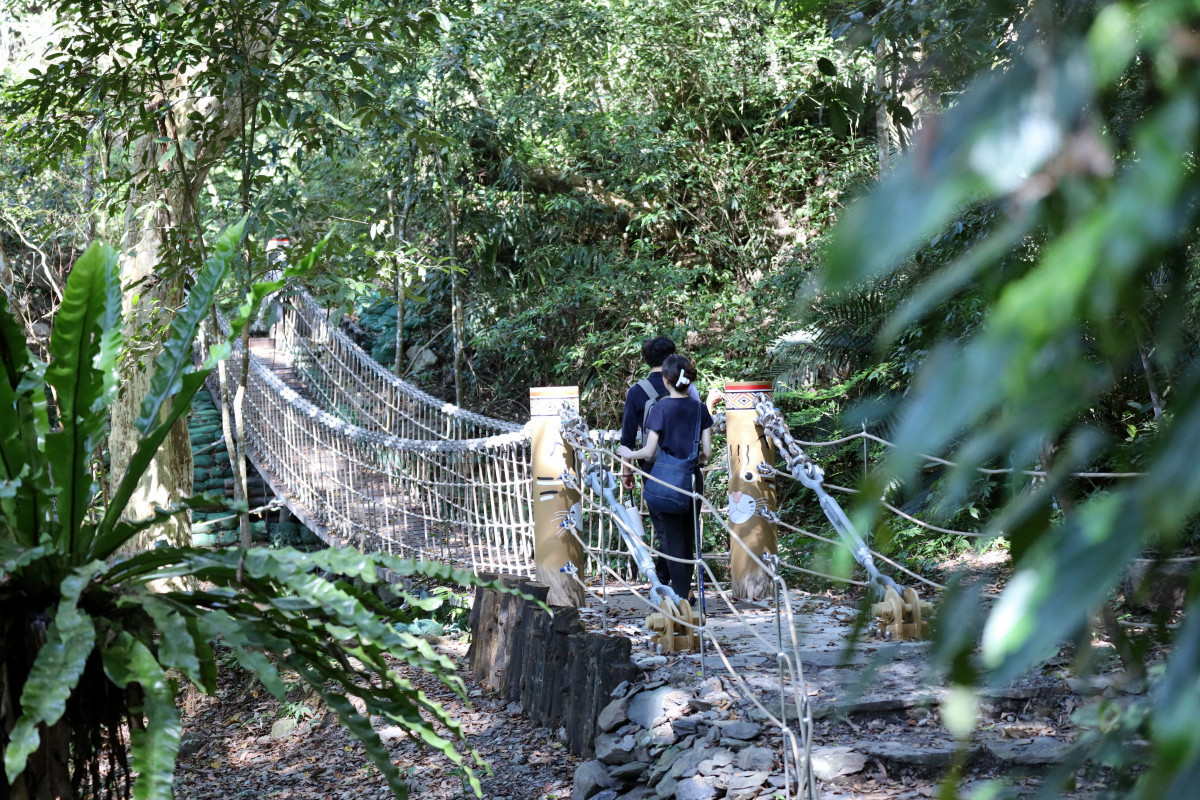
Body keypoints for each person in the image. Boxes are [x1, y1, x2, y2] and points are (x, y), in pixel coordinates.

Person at [617, 354, 713, 602]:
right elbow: (706, 453)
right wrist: (689, 462)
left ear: (666, 380)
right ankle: (686, 592)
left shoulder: (660, 408)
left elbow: (649, 451)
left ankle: (680, 597)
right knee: (688, 536)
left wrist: (628, 453)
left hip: (664, 481)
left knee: (670, 540)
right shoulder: (700, 409)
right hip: (691, 480)